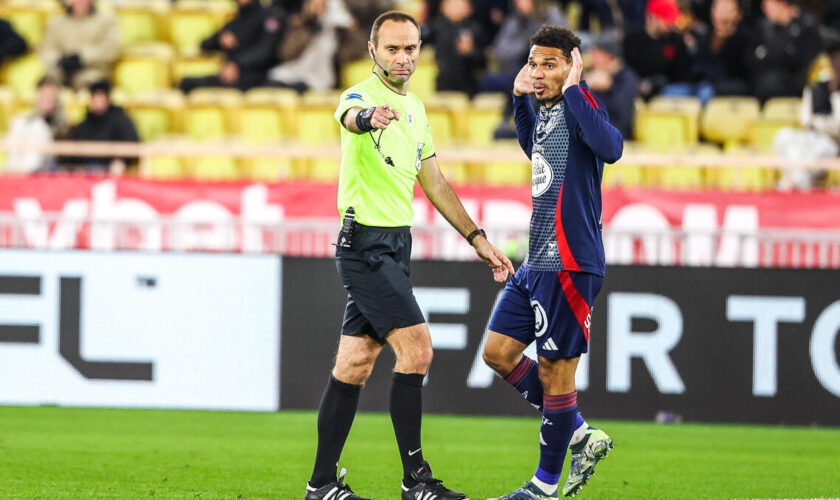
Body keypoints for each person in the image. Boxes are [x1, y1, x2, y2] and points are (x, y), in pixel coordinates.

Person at [304, 10, 515, 500]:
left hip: (395, 244)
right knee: (417, 348)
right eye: (393, 48)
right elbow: (349, 117)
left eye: (411, 48)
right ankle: (415, 481)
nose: (403, 57)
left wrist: (477, 238)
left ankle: (320, 486)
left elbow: (435, 181)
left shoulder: (417, 108)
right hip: (365, 245)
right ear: (373, 50)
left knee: (354, 365)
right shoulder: (360, 96)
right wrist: (367, 118)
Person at [482, 24, 622, 499]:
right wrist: (520, 98)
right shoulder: (544, 111)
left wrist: (579, 88)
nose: (539, 72)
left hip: (571, 259)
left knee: (555, 371)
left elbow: (612, 148)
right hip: (536, 260)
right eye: (534, 63)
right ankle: (579, 431)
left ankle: (542, 487)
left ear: (571, 64)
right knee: (497, 353)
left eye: (550, 64)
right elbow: (533, 151)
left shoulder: (581, 106)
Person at [180, 0, 281, 93]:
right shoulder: (236, 21)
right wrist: (220, 39)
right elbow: (205, 44)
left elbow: (265, 51)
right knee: (186, 83)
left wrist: (237, 64)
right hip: (230, 75)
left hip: (259, 77)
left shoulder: (269, 17)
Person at [748, 0, 821, 103]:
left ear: (782, 4)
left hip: (796, 88)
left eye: (768, 5)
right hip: (764, 88)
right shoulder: (764, 27)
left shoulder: (806, 26)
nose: (764, 9)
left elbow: (806, 63)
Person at [64, 80, 139, 175]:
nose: (98, 101)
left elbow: (132, 143)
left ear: (107, 98)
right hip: (88, 170)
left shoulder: (120, 119)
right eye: (96, 96)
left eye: (101, 96)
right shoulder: (85, 123)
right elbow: (76, 151)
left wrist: (121, 161)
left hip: (112, 170)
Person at [40, 0, 120, 90]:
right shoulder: (56, 22)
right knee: (48, 80)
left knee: (88, 81)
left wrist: (81, 58)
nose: (80, 2)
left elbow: (110, 49)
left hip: (93, 71)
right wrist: (60, 60)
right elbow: (47, 49)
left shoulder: (106, 20)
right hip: (63, 70)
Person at [623, 0, 692, 100]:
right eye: (665, 19)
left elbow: (683, 74)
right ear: (651, 17)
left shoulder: (676, 40)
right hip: (640, 93)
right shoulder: (632, 41)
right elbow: (630, 72)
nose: (670, 24)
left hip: (673, 93)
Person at [4, 76, 70, 174]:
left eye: (50, 97)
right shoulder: (24, 122)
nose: (47, 100)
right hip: (21, 170)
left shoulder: (63, 124)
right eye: (43, 96)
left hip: (49, 170)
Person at [424, 0, 486, 96]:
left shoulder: (475, 28)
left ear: (469, 8)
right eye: (451, 4)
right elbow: (420, 38)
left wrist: (470, 52)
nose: (455, 7)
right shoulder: (436, 26)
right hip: (443, 81)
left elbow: (482, 63)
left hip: (467, 84)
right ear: (442, 7)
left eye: (459, 4)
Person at [584, 31, 638, 139]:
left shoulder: (626, 78)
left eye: (595, 52)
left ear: (608, 56)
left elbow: (621, 113)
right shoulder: (589, 76)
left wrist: (609, 88)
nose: (590, 56)